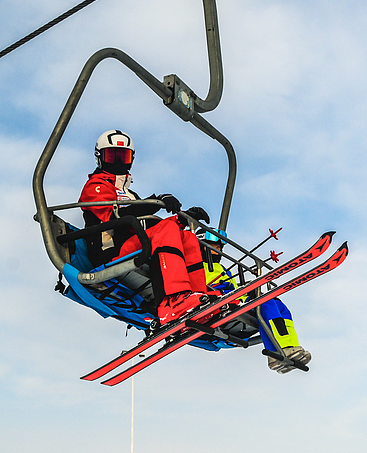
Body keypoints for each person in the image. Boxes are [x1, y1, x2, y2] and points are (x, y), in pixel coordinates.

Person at [79, 129, 212, 325]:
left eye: (122, 157)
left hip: (135, 244)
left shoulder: (129, 194)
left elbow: (147, 224)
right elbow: (118, 216)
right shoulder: (96, 186)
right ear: (99, 157)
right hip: (110, 249)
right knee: (165, 230)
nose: (117, 162)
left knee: (187, 238)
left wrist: (181, 220)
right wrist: (155, 202)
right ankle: (172, 300)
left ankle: (198, 295)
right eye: (111, 156)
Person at [201, 230, 311, 372]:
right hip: (216, 303)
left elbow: (234, 289)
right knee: (266, 303)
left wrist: (247, 292)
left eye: (218, 249)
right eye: (211, 247)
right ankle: (281, 349)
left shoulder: (222, 269)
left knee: (279, 305)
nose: (216, 252)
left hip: (232, 301)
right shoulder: (196, 265)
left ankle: (290, 346)